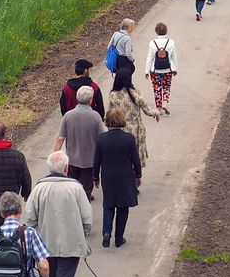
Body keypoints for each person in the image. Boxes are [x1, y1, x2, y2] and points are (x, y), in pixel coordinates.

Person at [25, 151, 92, 277]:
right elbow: (87, 218)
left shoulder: (39, 189)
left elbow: (30, 219)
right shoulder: (76, 188)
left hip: (45, 244)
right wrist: (83, 234)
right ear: (66, 168)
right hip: (71, 244)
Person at [94, 108, 142, 248]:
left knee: (108, 204)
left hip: (108, 176)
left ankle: (106, 232)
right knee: (123, 206)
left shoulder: (101, 139)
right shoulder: (128, 138)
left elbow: (96, 160)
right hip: (125, 176)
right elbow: (135, 159)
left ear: (107, 121)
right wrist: (138, 175)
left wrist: (95, 176)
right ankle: (119, 238)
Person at [55, 86, 106, 200]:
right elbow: (102, 137)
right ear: (91, 100)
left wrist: (56, 157)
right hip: (89, 161)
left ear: (77, 98)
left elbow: (60, 139)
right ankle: (84, 211)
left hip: (71, 160)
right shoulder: (95, 116)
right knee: (86, 190)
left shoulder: (68, 115)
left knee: (73, 189)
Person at [108, 67, 160, 166]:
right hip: (135, 130)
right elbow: (148, 111)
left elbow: (110, 112)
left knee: (122, 155)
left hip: (119, 130)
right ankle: (136, 175)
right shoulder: (135, 94)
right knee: (134, 155)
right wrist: (156, 113)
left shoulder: (113, 95)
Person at [143, 22, 178, 114]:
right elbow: (174, 56)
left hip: (155, 70)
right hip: (168, 69)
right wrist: (175, 68)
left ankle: (158, 107)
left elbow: (150, 58)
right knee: (166, 86)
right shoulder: (171, 42)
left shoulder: (152, 43)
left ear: (156, 31)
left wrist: (147, 71)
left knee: (157, 87)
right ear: (166, 31)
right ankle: (165, 102)